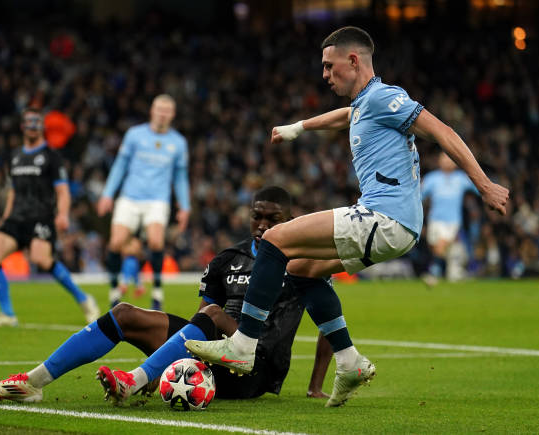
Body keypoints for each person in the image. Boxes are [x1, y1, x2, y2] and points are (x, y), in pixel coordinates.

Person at [184, 26, 510, 408]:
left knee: (274, 239)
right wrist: (297, 128)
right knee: (301, 268)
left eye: (328, 65)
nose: (324, 74)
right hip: (396, 226)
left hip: (384, 216)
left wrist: (485, 184)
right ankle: (349, 360)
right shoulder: (367, 103)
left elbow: (442, 131)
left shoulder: (383, 97)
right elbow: (345, 116)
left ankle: (243, 344)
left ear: (353, 61)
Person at [0, 186, 333, 404]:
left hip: (256, 368)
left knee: (210, 314)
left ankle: (135, 380)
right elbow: (198, 324)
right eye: (258, 217)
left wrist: (315, 385)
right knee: (124, 313)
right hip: (216, 352)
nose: (264, 226)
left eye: (274, 218)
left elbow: (327, 318)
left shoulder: (302, 263)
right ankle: (33, 383)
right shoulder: (227, 259)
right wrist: (168, 361)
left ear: (292, 219)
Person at [0, 108, 100, 328]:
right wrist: (6, 219)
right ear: (22, 126)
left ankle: (84, 299)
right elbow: (13, 190)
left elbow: (62, 191)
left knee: (41, 259)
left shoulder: (51, 157)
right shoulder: (15, 156)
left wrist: (63, 215)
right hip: (17, 217)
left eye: (37, 122)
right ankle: (7, 314)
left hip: (41, 217)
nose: (33, 125)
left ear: (42, 127)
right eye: (29, 122)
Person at [97, 94, 190, 310]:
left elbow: (180, 177)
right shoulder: (134, 135)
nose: (162, 114)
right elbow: (120, 165)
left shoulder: (178, 143)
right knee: (115, 243)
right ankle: (114, 292)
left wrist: (184, 207)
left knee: (156, 242)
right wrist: (108, 194)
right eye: (159, 109)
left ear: (172, 115)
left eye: (167, 111)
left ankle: (157, 292)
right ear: (152, 111)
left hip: (157, 200)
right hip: (130, 197)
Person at [421, 152, 479, 286]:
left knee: (441, 244)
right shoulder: (432, 178)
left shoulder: (461, 178)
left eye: (450, 159)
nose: (447, 162)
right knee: (437, 248)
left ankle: (433, 274)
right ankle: (454, 271)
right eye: (444, 159)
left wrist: (488, 193)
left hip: (452, 221)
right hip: (434, 219)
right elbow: (420, 196)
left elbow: (477, 188)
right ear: (439, 161)